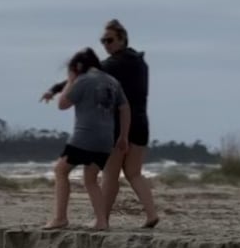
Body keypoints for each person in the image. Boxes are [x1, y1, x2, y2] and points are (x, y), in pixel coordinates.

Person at [41, 19, 158, 228]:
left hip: (117, 125)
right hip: (141, 123)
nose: (105, 44)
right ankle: (151, 214)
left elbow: (84, 76)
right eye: (103, 41)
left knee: (110, 174)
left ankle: (101, 219)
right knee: (134, 173)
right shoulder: (141, 63)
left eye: (109, 40)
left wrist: (55, 89)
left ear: (122, 39)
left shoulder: (113, 65)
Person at [44, 48, 130, 231]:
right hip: (106, 140)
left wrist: (70, 80)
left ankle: (60, 218)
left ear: (78, 66)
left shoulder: (83, 80)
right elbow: (125, 108)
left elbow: (62, 104)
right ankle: (101, 221)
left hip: (84, 136)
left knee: (60, 171)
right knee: (91, 179)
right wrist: (123, 136)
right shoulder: (113, 81)